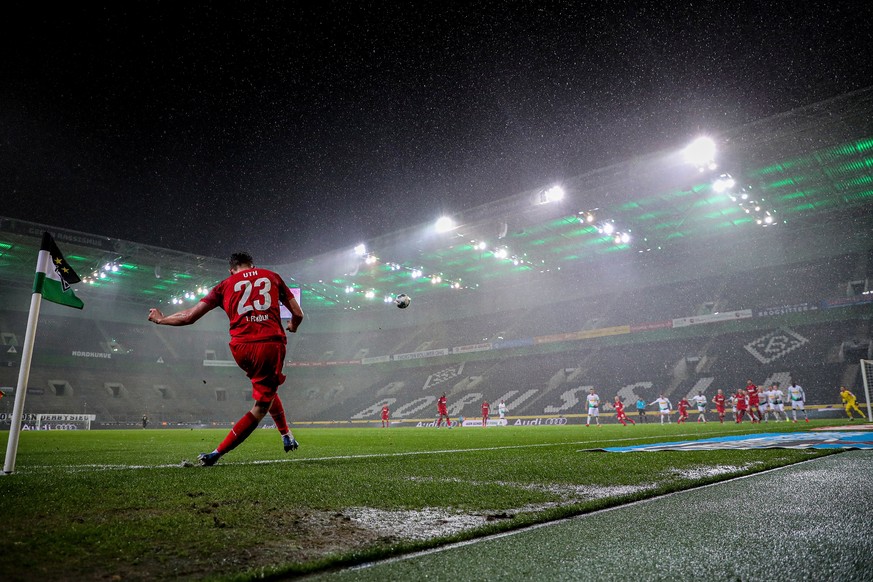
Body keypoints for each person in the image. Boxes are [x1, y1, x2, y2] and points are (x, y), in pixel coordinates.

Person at [148, 252, 304, 466]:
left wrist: (161, 319)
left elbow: (189, 317)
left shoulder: (224, 285)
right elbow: (298, 313)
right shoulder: (272, 276)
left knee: (266, 387)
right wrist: (293, 326)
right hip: (269, 343)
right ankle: (216, 453)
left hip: (240, 347)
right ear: (252, 265)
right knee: (261, 405)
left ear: (231, 269)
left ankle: (286, 434)